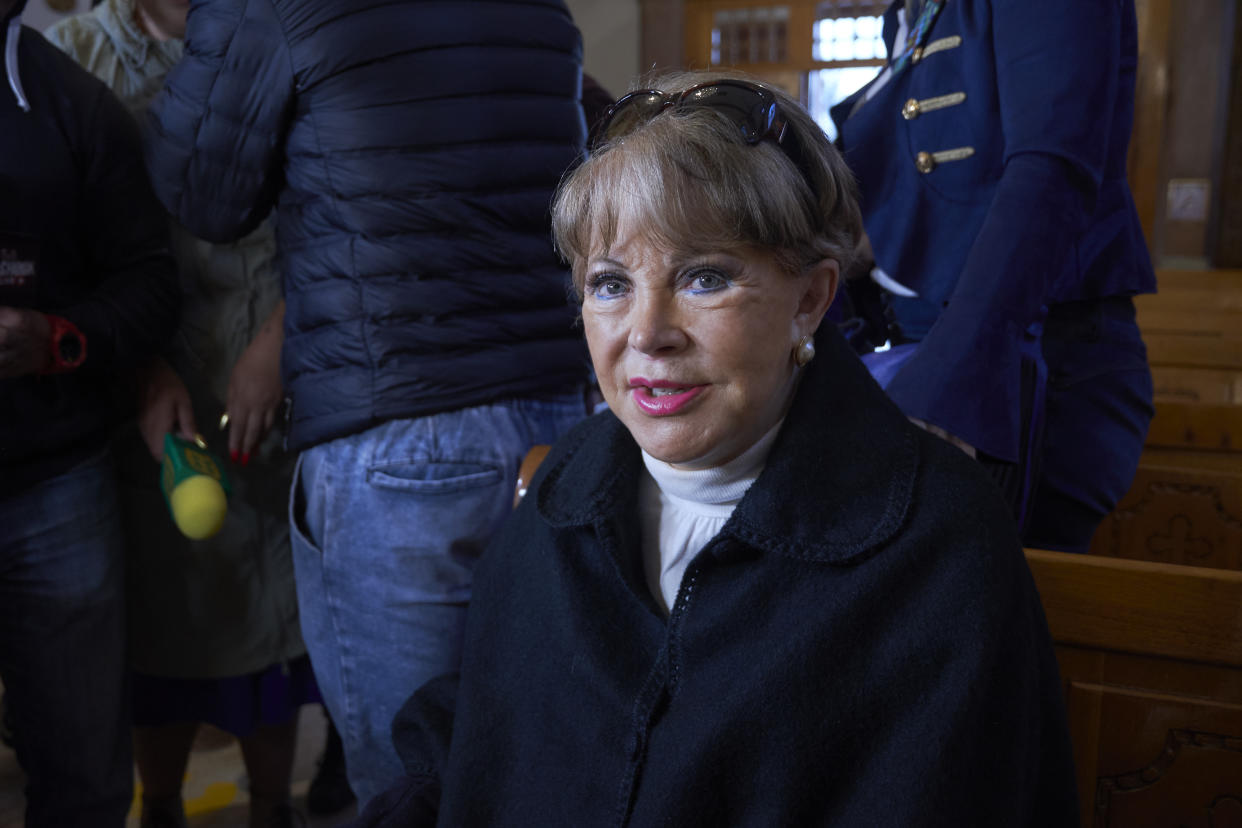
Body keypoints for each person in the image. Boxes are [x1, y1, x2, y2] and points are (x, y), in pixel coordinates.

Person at [350, 71, 1079, 827]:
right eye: (610, 283)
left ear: (810, 300)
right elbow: (466, 745)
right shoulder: (567, 483)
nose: (645, 332)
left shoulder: (939, 545)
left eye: (703, 278)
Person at [141, 0, 593, 806]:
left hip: (397, 430)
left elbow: (202, 194)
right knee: (544, 756)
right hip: (560, 423)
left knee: (410, 784)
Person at [43, 1, 322, 825]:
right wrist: (136, 368)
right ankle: (159, 804)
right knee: (163, 629)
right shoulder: (76, 56)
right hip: (143, 394)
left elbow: (335, 207)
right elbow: (60, 243)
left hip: (276, 379)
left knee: (273, 624)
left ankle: (273, 807)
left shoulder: (292, 33)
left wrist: (277, 344)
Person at [830, 0, 1156, 553]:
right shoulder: (914, 12)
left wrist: (951, 380)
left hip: (1021, 367)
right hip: (918, 353)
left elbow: (1049, 170)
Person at [0, 0, 180, 824]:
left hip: (55, 485)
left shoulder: (72, 101)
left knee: (83, 781)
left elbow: (150, 286)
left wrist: (57, 338)